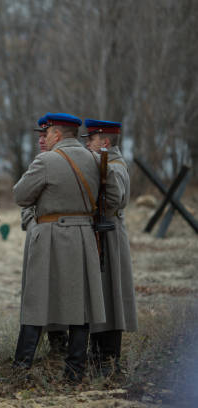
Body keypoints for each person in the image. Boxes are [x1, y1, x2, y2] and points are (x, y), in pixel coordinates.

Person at [12, 112, 121, 383]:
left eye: (46, 133)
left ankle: (21, 368)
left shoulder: (46, 161)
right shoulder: (97, 160)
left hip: (50, 235)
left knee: (37, 301)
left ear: (57, 135)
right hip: (85, 237)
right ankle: (74, 371)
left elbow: (20, 195)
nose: (44, 138)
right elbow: (114, 199)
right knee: (80, 305)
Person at [82, 119, 138, 376]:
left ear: (104, 142)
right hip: (103, 232)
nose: (87, 142)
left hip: (110, 234)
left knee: (110, 293)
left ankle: (107, 355)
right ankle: (98, 352)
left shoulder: (113, 167)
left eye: (91, 138)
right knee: (100, 293)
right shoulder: (107, 164)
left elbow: (114, 200)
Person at [21, 125, 69, 356]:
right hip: (39, 234)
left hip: (58, 235)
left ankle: (58, 343)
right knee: (38, 292)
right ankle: (48, 345)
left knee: (58, 291)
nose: (41, 140)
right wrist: (33, 224)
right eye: (38, 137)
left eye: (44, 136)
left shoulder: (55, 162)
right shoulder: (39, 163)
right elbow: (25, 203)